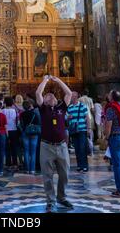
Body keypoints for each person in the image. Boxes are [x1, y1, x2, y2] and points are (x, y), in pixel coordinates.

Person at [36, 75, 73, 213]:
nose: (50, 97)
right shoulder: (43, 109)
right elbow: (38, 93)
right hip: (46, 146)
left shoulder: (61, 108)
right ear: (44, 101)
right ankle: (50, 201)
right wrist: (45, 80)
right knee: (47, 176)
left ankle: (61, 197)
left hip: (62, 146)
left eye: (52, 96)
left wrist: (58, 81)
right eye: (48, 96)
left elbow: (69, 93)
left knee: (65, 174)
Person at [67, 92, 91, 172]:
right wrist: (68, 118)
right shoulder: (69, 107)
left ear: (76, 97)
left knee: (82, 148)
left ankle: (85, 166)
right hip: (74, 130)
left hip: (82, 129)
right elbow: (66, 118)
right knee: (77, 148)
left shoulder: (82, 106)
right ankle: (79, 165)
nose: (71, 97)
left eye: (72, 96)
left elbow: (87, 118)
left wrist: (89, 128)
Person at [19, 100, 41, 174]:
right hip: (34, 134)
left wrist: (23, 130)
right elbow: (38, 124)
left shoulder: (22, 114)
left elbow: (20, 124)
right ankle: (32, 169)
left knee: (26, 151)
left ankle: (27, 169)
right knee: (33, 152)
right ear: (30, 106)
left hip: (25, 133)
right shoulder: (34, 114)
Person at [2, 97, 18, 168]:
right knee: (14, 147)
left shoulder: (3, 110)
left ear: (5, 103)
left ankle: (8, 163)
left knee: (7, 147)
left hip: (5, 130)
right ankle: (15, 163)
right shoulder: (14, 110)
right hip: (14, 129)